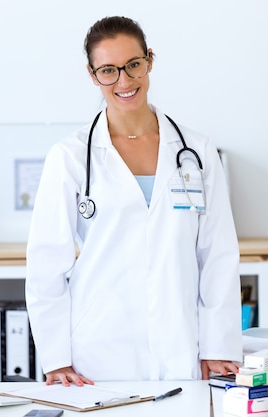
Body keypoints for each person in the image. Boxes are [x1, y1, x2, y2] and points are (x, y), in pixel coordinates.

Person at [25, 16, 242, 386]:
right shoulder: (70, 156)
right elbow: (46, 263)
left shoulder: (196, 151)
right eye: (108, 70)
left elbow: (218, 254)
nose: (124, 81)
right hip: (98, 352)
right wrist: (55, 358)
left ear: (149, 61)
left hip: (180, 344)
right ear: (93, 75)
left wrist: (217, 344)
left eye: (133, 65)